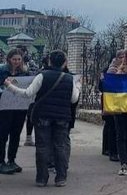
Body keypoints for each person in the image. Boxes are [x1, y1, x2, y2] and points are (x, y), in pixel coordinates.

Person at [4, 50, 79, 187]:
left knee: (42, 147)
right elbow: (74, 99)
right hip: (62, 117)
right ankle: (61, 178)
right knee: (60, 146)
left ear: (49, 61)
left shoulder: (41, 76)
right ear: (64, 63)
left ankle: (42, 178)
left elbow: (28, 93)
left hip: (43, 116)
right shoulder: (69, 78)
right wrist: (78, 87)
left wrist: (10, 86)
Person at [0, 50, 32, 175]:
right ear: (9, 59)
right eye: (14, 59)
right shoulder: (2, 71)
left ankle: (12, 160)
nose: (17, 62)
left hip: (19, 107)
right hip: (4, 107)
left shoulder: (24, 72)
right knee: (2, 135)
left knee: (16, 133)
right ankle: (1, 162)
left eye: (19, 59)